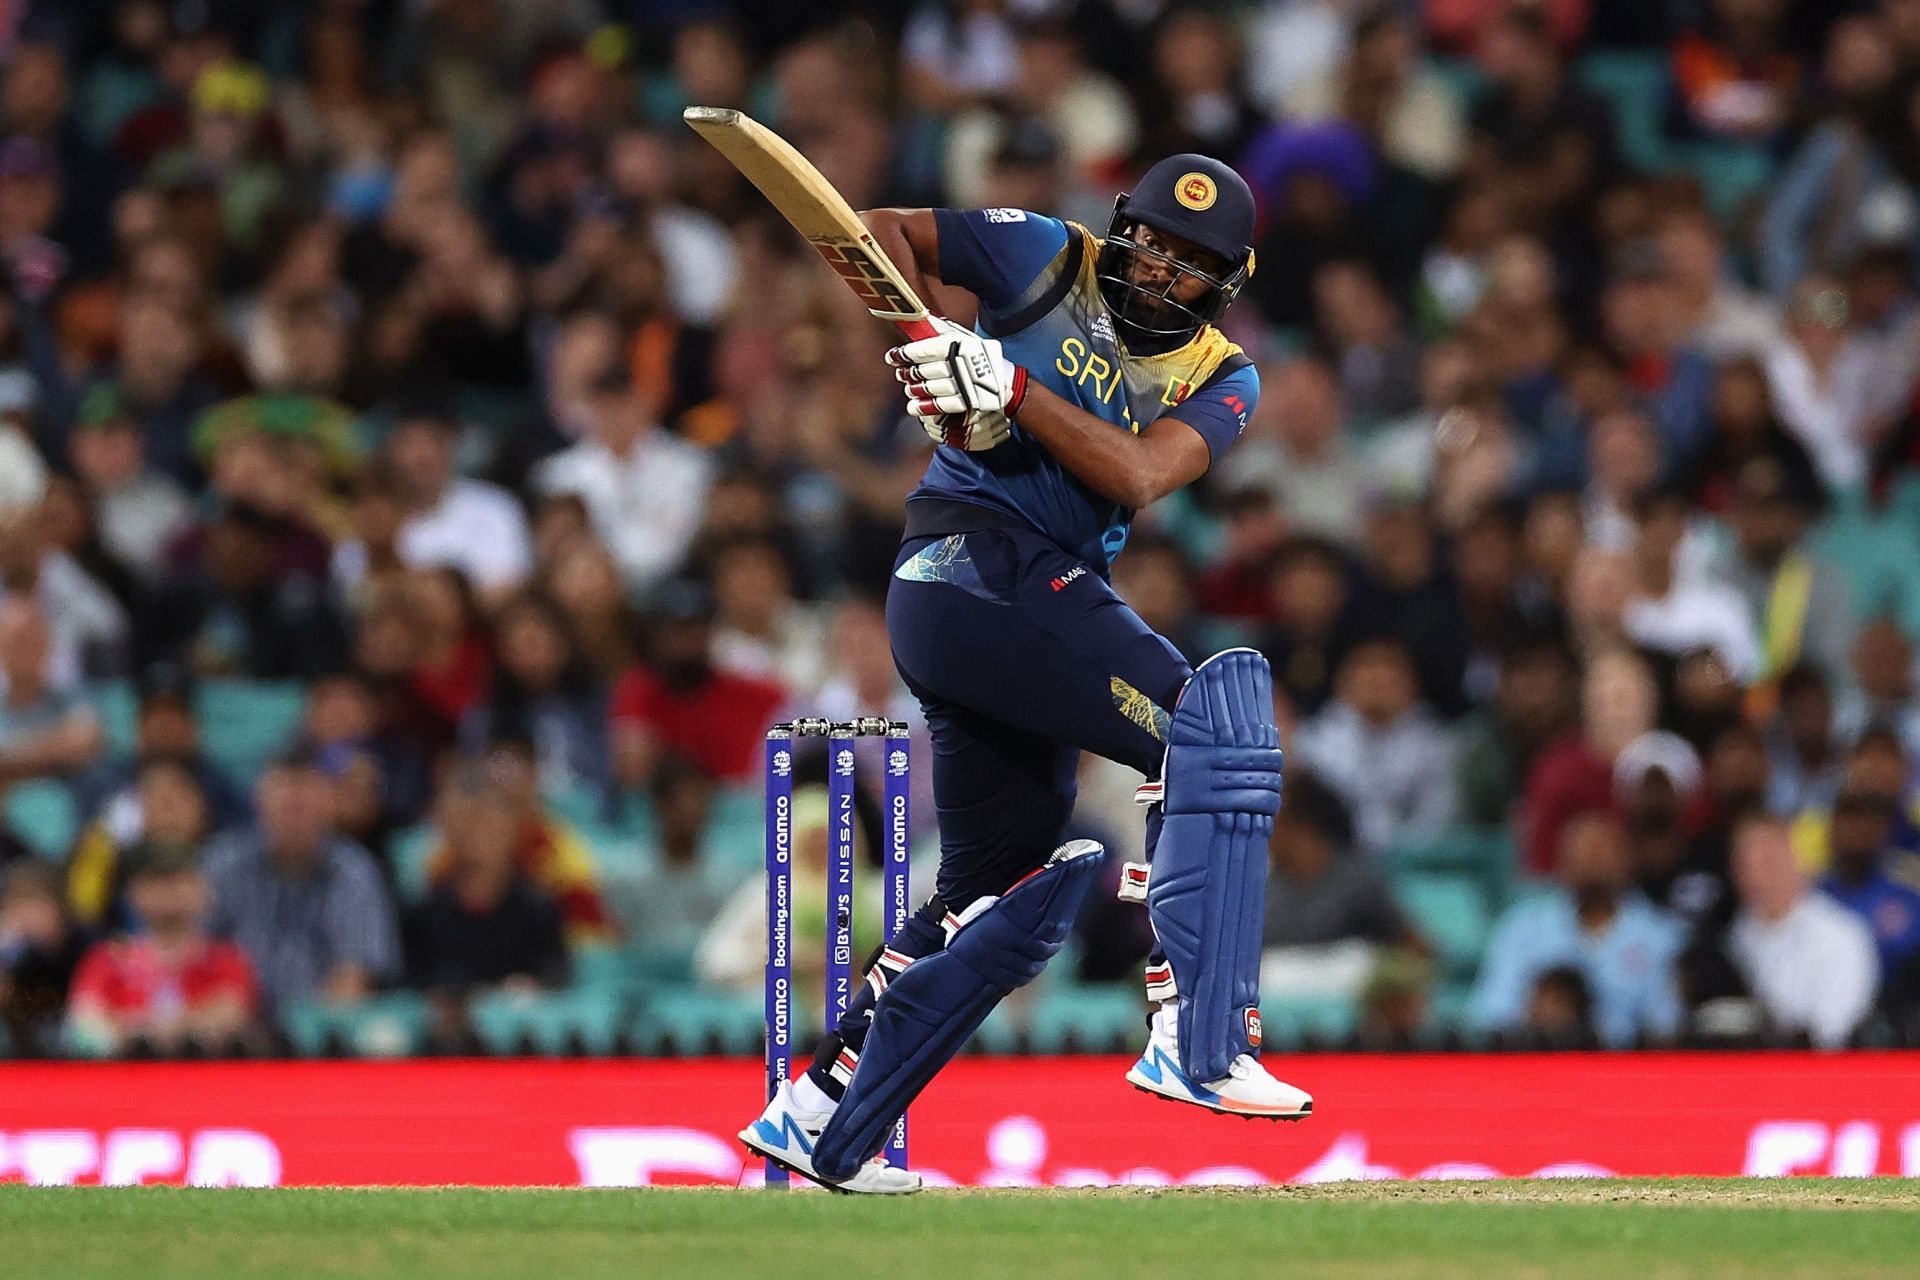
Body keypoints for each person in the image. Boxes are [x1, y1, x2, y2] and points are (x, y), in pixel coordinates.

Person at [741, 155, 1304, 1194]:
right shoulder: (1046, 251)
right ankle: (1202, 1034)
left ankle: (821, 1110)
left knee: (987, 888)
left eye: (1191, 262)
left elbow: (1138, 473)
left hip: (1000, 598)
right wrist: (929, 355)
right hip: (978, 564)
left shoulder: (1225, 374)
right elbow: (879, 232)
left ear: (1229, 279)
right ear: (1121, 225)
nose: (1160, 268)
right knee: (1214, 733)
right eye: (1151, 241)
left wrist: (1006, 385)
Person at [202, 749, 401, 1010]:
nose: (295, 812)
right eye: (286, 802)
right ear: (258, 800)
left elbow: (356, 974)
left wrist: (307, 1029)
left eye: (305, 802)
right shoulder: (224, 862)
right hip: (232, 1025)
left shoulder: (353, 868)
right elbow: (195, 953)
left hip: (319, 1026)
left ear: (329, 802)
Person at [1469, 812, 1685, 1047]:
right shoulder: (1523, 928)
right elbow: (1491, 1014)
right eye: (1581, 851)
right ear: (1562, 861)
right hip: (1535, 1062)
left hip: (1625, 1069)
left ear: (1627, 858)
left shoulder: (1662, 937)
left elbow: (1667, 1024)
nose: (1591, 860)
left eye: (1601, 850)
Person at [65, 844, 259, 1056]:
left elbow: (231, 1015)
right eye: (156, 881)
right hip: (126, 1080)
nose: (167, 890)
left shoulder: (226, 960)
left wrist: (132, 1024)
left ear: (202, 889)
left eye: (178, 879)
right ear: (133, 892)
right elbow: (86, 1025)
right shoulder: (107, 960)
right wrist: (174, 1025)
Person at [1728, 814, 1878, 1048]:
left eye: (1767, 862)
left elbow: (1836, 1028)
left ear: (1794, 860)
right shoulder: (1736, 935)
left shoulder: (1840, 934)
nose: (1755, 876)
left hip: (1820, 1070)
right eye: (1745, 865)